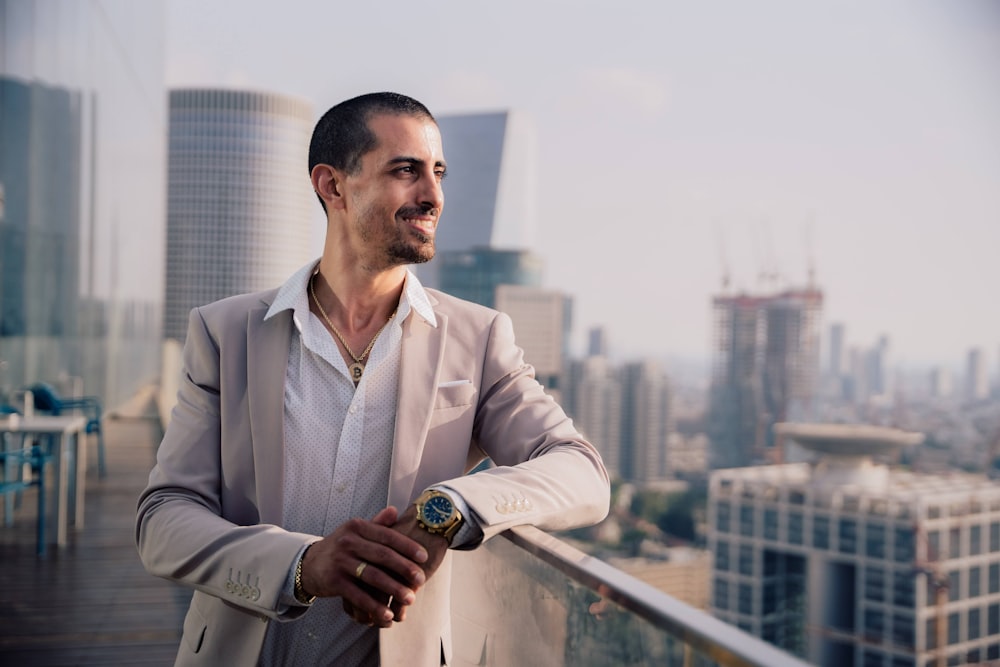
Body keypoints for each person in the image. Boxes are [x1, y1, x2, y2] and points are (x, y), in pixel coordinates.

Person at [136, 92, 610, 667]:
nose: (432, 195)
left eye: (437, 173)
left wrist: (451, 506)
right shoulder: (223, 332)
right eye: (405, 170)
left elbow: (582, 472)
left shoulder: (479, 338)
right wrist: (302, 566)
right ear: (333, 186)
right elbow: (163, 518)